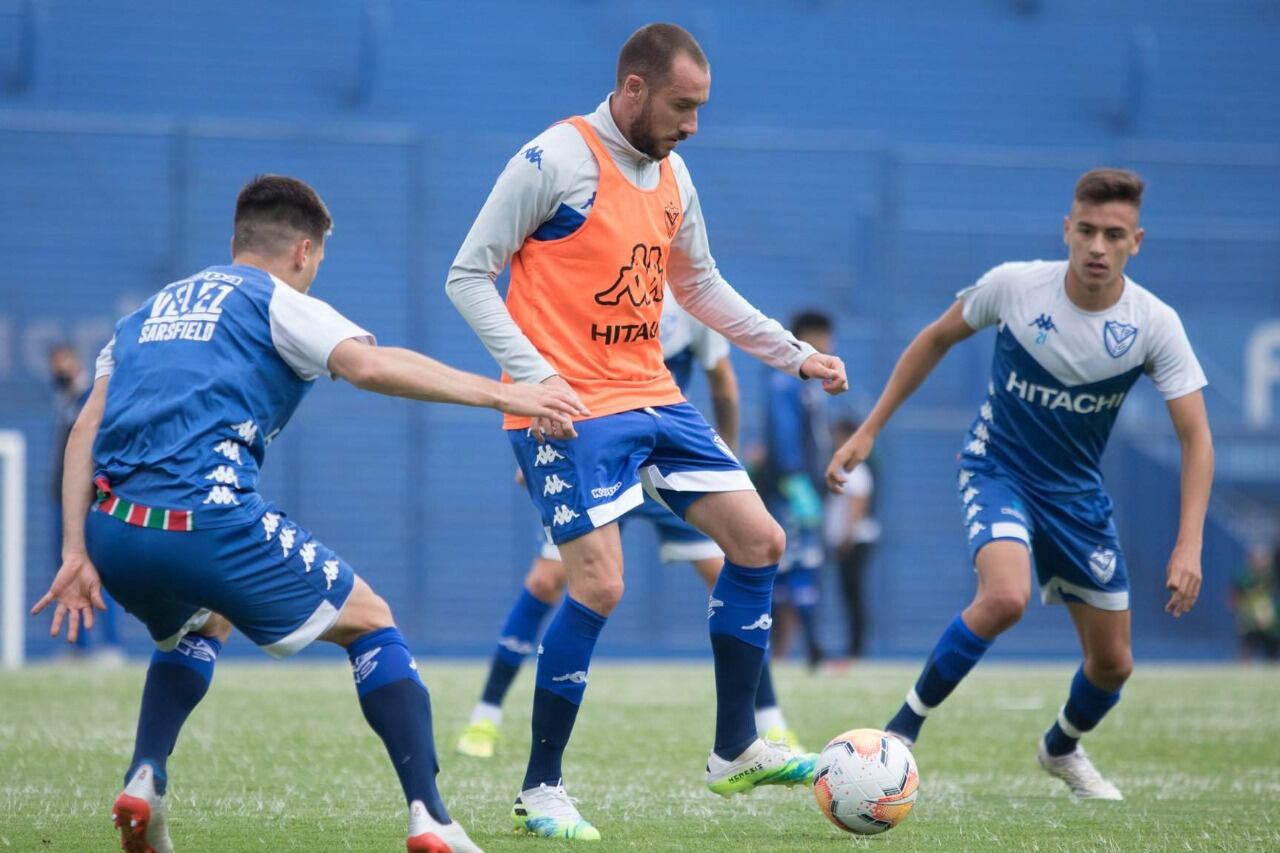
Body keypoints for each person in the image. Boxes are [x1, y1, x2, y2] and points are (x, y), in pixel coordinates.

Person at [32, 174, 586, 853]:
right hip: (205, 522)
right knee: (372, 622)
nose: (315, 269)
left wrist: (74, 551)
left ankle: (145, 776)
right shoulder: (275, 298)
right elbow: (371, 366)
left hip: (113, 530)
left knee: (202, 621)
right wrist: (509, 395)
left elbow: (87, 426)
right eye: (318, 258)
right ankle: (432, 818)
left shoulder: (146, 313)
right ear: (301, 250)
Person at [447, 22, 847, 841]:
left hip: (653, 394)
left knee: (760, 540)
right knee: (596, 583)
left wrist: (796, 354)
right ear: (633, 90)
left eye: (700, 107)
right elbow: (467, 275)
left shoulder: (674, 173)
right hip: (566, 408)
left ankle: (736, 746)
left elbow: (701, 288)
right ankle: (540, 790)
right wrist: (532, 377)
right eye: (682, 105)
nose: (693, 123)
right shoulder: (552, 160)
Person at [828, 168, 1213, 800]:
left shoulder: (1153, 325)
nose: (1096, 246)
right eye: (1086, 230)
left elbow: (1197, 439)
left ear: (1135, 242)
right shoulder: (1014, 287)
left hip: (1075, 495)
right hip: (996, 467)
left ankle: (1060, 748)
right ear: (1066, 229)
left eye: (1113, 235)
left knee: (1113, 665)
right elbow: (934, 338)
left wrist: (1189, 543)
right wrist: (871, 429)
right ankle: (899, 735)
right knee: (1004, 596)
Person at [456, 296, 801, 760]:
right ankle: (486, 715)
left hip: (664, 461)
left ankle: (768, 723)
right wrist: (543, 458)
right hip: (597, 456)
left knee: (739, 569)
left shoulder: (691, 297)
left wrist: (727, 462)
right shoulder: (598, 287)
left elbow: (724, 384)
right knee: (548, 581)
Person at [759, 311, 834, 668]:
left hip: (805, 485)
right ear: (805, 336)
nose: (829, 345)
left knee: (801, 562)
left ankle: (802, 646)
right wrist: (793, 479)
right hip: (791, 487)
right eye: (822, 336)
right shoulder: (787, 382)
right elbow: (785, 433)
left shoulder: (807, 387)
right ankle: (799, 645)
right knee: (792, 562)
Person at [49, 343, 123, 663]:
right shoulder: (64, 402)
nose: (59, 372)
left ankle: (110, 645)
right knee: (66, 571)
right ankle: (77, 646)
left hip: (89, 503)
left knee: (95, 572)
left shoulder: (89, 399)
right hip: (60, 501)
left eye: (64, 365)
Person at [824, 417, 880, 661]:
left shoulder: (855, 469)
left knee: (853, 596)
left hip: (854, 543)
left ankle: (855, 651)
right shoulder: (844, 467)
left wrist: (846, 538)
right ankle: (853, 649)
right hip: (847, 542)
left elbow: (857, 506)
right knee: (849, 596)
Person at [1230, 544, 1279, 662]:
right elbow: (1233, 598)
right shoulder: (1244, 577)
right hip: (1250, 622)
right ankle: (1242, 676)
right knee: (1247, 651)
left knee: (1272, 654)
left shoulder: (1272, 576)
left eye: (1263, 559)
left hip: (1269, 623)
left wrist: (1268, 613)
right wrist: (1244, 615)